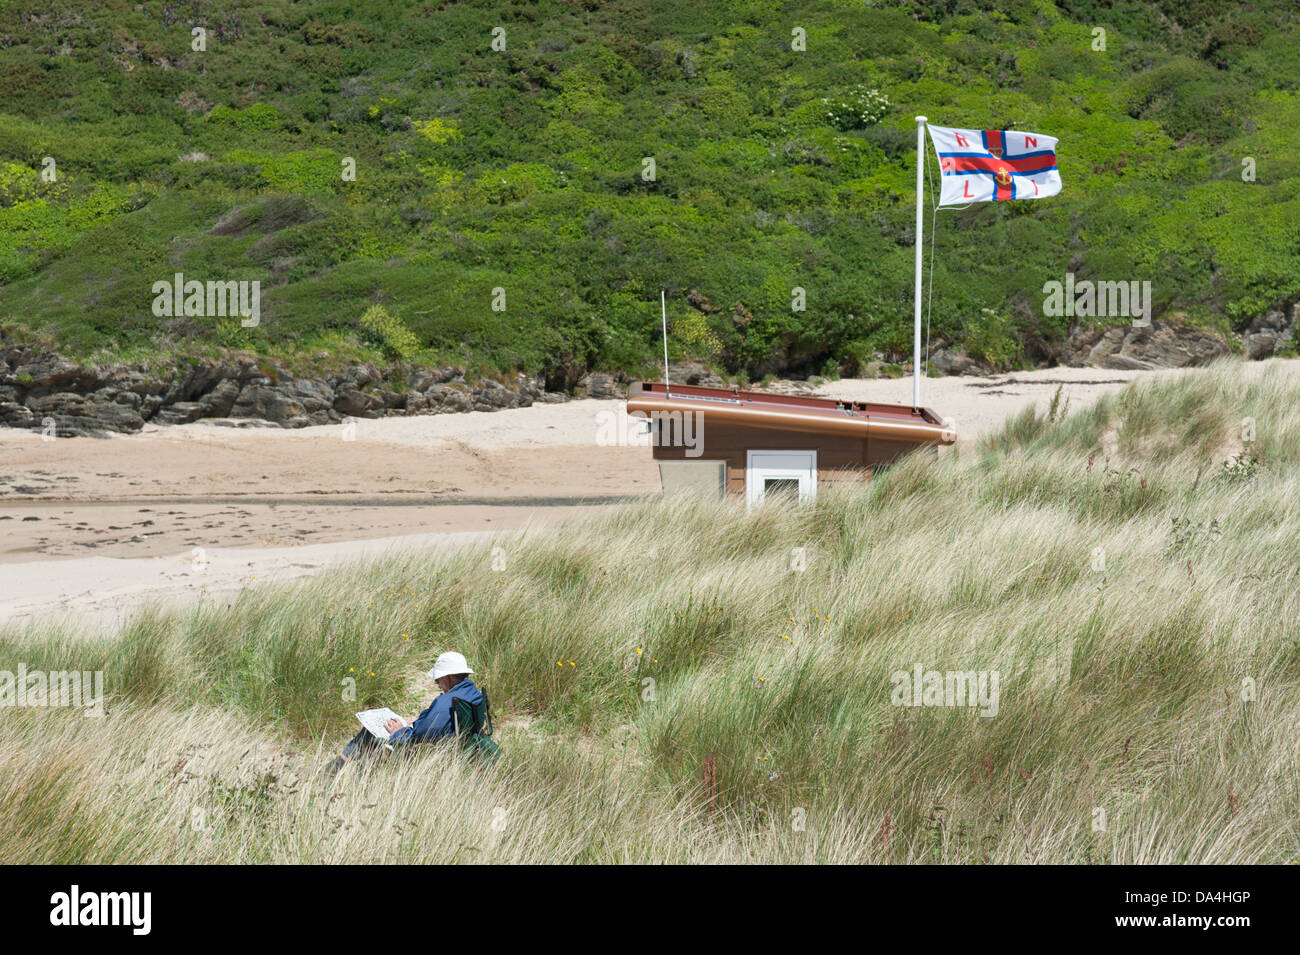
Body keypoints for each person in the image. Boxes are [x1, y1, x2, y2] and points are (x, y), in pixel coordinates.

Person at [326, 651, 489, 774]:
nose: (437, 684)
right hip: (456, 745)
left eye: (437, 679)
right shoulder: (473, 694)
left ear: (448, 677)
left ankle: (337, 771)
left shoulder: (445, 702)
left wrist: (400, 731)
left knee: (369, 734)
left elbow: (422, 738)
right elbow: (436, 725)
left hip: (426, 751)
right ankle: (344, 769)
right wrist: (414, 723)